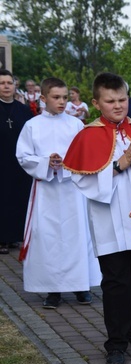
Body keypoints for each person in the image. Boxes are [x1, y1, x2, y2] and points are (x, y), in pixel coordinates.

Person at [63, 72, 131, 364]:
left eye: (122, 99)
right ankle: (116, 343)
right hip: (109, 220)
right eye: (110, 101)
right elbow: (80, 178)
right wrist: (117, 165)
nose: (118, 106)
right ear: (97, 102)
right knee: (116, 283)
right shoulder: (87, 135)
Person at [16, 77, 100, 309]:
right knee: (48, 237)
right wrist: (46, 162)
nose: (62, 102)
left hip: (73, 189)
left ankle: (81, 285)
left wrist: (67, 163)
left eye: (65, 97)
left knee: (77, 235)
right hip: (46, 190)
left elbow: (86, 153)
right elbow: (23, 156)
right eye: (56, 97)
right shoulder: (32, 125)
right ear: (43, 99)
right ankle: (51, 289)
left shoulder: (75, 125)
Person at [0, 69, 34, 254]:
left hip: (19, 163)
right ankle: (1, 239)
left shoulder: (24, 110)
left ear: (14, 86)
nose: (6, 86)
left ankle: (15, 236)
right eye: (2, 83)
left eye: (9, 82)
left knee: (18, 198)